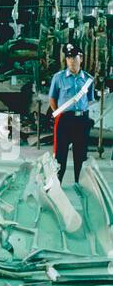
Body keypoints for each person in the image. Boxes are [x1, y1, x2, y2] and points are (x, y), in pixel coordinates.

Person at [49, 43, 94, 184]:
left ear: (80, 58)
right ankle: (57, 184)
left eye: (74, 57)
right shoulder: (58, 78)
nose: (71, 61)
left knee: (80, 154)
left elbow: (89, 100)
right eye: (68, 58)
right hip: (64, 120)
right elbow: (52, 99)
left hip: (81, 120)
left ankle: (78, 183)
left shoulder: (88, 79)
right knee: (60, 155)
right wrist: (60, 112)